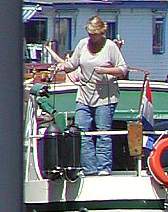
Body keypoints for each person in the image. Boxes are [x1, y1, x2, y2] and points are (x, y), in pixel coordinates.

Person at [52, 15, 127, 175]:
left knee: (103, 132)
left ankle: (103, 168)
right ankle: (89, 168)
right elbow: (72, 65)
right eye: (90, 33)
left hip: (105, 96)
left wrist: (105, 70)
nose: (92, 37)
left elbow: (123, 69)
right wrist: (61, 66)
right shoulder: (82, 45)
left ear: (102, 32)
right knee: (82, 130)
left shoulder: (110, 47)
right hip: (84, 94)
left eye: (95, 34)